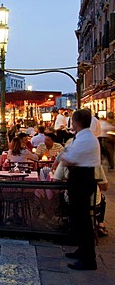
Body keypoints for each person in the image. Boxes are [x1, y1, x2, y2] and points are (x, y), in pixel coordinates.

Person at [60, 108, 100, 270]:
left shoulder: (85, 139)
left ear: (76, 122)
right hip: (81, 179)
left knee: (83, 220)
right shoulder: (85, 137)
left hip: (82, 180)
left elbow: (69, 158)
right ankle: (82, 250)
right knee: (79, 219)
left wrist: (64, 157)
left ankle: (88, 259)